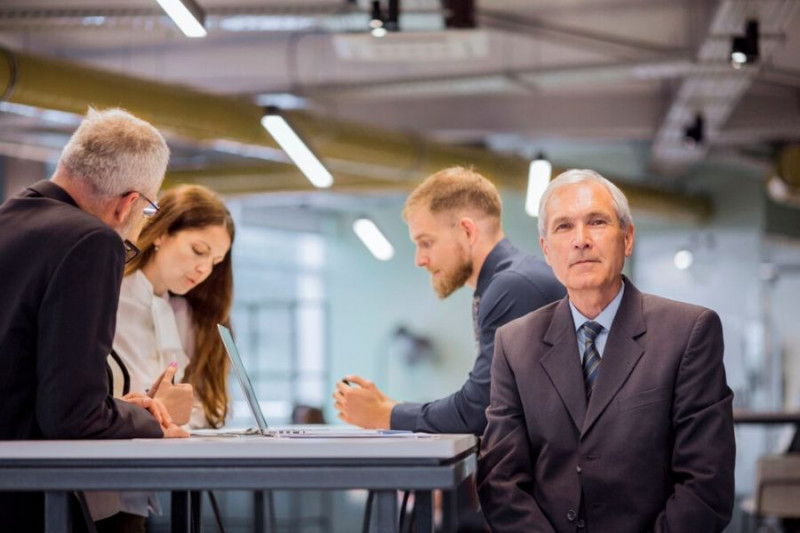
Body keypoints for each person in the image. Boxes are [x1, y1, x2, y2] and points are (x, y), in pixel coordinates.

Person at [477, 169, 736, 532]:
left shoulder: (689, 333)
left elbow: (706, 486)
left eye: (596, 222)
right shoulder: (514, 343)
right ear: (547, 251)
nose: (580, 240)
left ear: (627, 239)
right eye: (563, 227)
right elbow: (500, 482)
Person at [0, 108, 188, 532]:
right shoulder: (92, 239)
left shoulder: (8, 219)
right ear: (127, 204)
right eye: (148, 209)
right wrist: (149, 420)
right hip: (30, 501)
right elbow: (72, 415)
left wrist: (115, 408)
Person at [333, 166, 565, 435]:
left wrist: (386, 415)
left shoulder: (512, 287)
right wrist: (389, 408)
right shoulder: (506, 282)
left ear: (467, 231)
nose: (419, 260)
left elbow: (480, 411)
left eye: (426, 242)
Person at [85, 184, 236, 526]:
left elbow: (199, 411)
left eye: (214, 262)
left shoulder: (180, 312)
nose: (204, 270)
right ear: (161, 233)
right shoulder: (104, 294)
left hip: (139, 484)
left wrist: (173, 412)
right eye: (199, 250)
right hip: (90, 478)